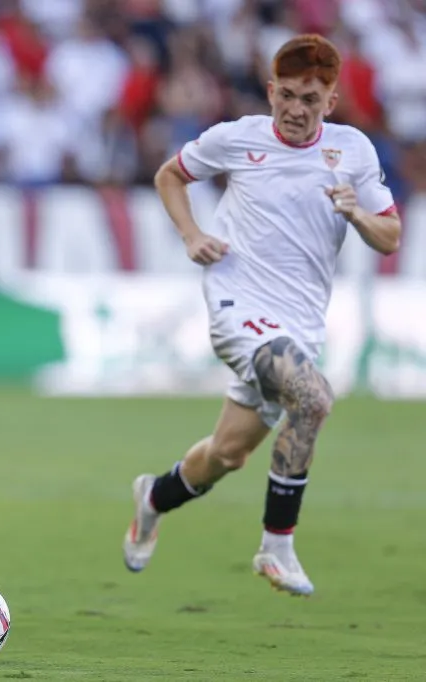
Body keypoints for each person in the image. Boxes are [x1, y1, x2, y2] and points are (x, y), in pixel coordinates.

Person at [123, 34, 401, 596]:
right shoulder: (236, 138)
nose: (297, 110)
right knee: (315, 398)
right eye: (289, 95)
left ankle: (153, 497)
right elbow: (169, 176)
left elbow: (390, 235)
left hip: (300, 323)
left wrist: (355, 214)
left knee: (226, 454)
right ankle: (276, 547)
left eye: (312, 100)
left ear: (332, 100)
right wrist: (192, 233)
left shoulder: (354, 152)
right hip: (236, 303)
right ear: (271, 91)